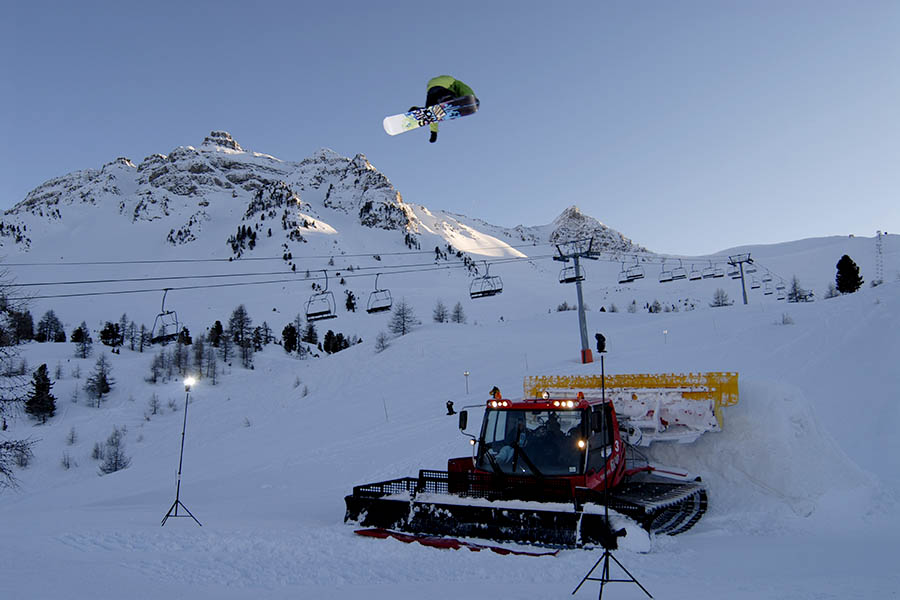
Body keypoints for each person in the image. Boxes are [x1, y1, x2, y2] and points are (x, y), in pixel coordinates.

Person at [414, 75, 479, 143]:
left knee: (429, 112)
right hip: (443, 86)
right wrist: (472, 99)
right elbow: (465, 89)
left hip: (430, 89)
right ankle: (447, 99)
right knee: (446, 97)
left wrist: (433, 133)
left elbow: (433, 116)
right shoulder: (456, 83)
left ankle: (417, 111)